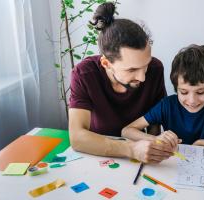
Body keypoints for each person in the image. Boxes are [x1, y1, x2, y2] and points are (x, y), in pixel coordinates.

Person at [69, 2, 176, 163]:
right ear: (106, 63)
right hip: (98, 154)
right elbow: (77, 137)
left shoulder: (155, 68)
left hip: (140, 156)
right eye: (132, 70)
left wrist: (154, 147)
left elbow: (155, 121)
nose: (142, 77)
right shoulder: (84, 74)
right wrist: (131, 149)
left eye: (145, 65)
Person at [122, 44, 204, 152]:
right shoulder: (167, 105)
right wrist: (156, 139)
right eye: (183, 92)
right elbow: (127, 131)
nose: (192, 101)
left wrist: (201, 143)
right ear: (175, 87)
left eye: (200, 92)